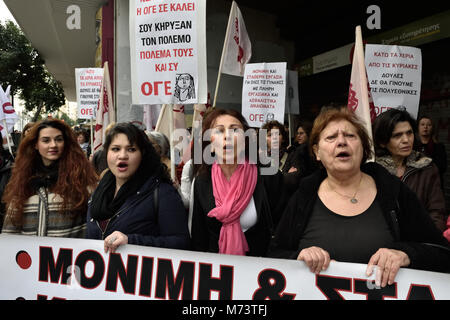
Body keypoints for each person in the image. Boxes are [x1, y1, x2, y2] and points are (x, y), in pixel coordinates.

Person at [268, 108, 450, 288]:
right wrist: (298, 257)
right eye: (331, 137)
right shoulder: (303, 197)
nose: (341, 142)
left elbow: (442, 253)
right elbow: (274, 255)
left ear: (363, 147)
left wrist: (406, 254)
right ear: (317, 152)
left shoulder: (393, 191)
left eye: (350, 136)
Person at [191, 108, 285, 257]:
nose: (227, 136)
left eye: (235, 130)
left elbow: (284, 228)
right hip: (217, 271)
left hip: (261, 269)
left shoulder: (268, 174)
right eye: (219, 131)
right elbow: (199, 237)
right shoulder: (202, 181)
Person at [86, 122, 190, 252]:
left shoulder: (162, 193)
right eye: (116, 149)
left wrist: (132, 241)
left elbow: (180, 243)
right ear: (106, 153)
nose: (122, 155)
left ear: (143, 154)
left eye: (131, 149)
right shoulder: (99, 190)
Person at [2, 119, 98, 237]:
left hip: (68, 254)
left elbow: (92, 230)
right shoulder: (22, 182)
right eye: (46, 140)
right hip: (29, 254)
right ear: (36, 144)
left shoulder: (81, 180)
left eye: (58, 139)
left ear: (65, 143)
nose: (53, 145)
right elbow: (10, 232)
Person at [373, 108, 446, 231]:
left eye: (409, 133)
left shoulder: (427, 168)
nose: (406, 140)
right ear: (382, 142)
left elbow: (437, 212)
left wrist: (426, 243)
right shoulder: (372, 171)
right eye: (397, 135)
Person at [415, 115, 447, 189]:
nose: (425, 127)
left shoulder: (439, 147)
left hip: (433, 186)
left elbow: (442, 167)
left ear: (432, 128)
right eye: (422, 124)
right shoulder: (412, 146)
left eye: (429, 125)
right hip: (415, 186)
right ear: (418, 127)